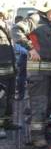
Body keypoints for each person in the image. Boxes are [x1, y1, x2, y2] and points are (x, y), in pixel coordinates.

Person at [12, 1, 51, 147]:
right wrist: (30, 48)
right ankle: (36, 136)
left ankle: (44, 130)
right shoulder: (34, 19)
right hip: (38, 71)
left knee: (48, 103)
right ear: (45, 10)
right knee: (39, 103)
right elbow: (16, 30)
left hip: (49, 71)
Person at [0, 8, 16, 139]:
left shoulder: (5, 29)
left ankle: (7, 122)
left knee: (9, 97)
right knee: (1, 98)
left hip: (10, 69)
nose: (3, 18)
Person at [13, 16, 28, 100]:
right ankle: (21, 95)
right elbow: (19, 48)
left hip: (23, 56)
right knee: (22, 76)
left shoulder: (17, 31)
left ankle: (22, 94)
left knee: (22, 76)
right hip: (23, 57)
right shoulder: (17, 32)